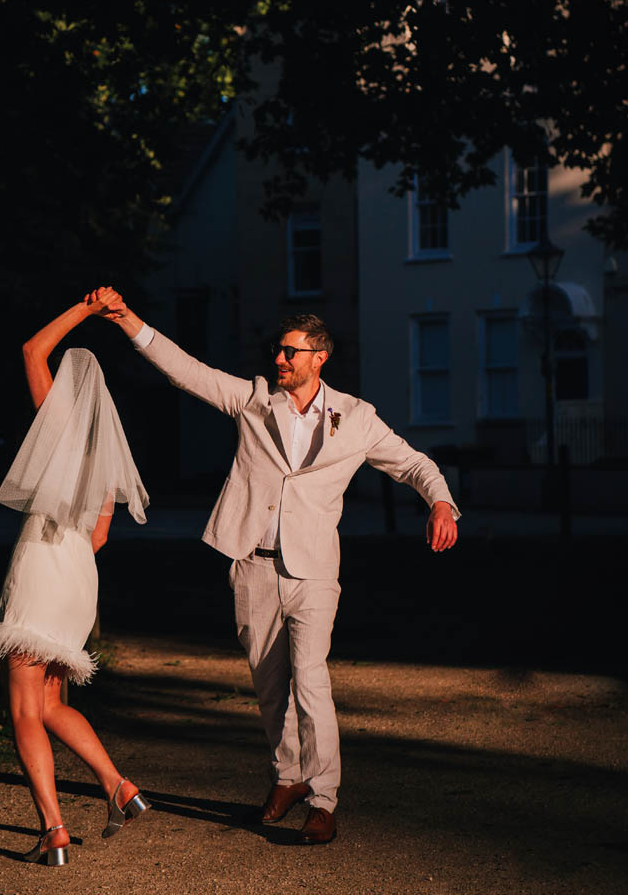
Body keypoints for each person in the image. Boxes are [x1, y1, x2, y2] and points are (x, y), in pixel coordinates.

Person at [96, 289, 459, 845]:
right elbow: (185, 371)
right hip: (252, 566)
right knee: (269, 689)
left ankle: (323, 800)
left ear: (320, 358)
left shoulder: (357, 418)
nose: (279, 360)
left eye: (290, 352)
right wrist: (127, 320)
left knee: (311, 682)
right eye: (277, 351)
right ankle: (287, 778)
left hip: (313, 572)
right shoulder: (253, 400)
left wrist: (440, 501)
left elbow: (412, 463)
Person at [0, 290, 151, 866]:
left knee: (25, 707)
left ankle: (53, 829)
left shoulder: (54, 435)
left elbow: (32, 349)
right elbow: (100, 537)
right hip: (80, 573)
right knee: (50, 700)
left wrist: (86, 309)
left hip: (42, 565)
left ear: (63, 403)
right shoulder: (104, 464)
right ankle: (118, 786)